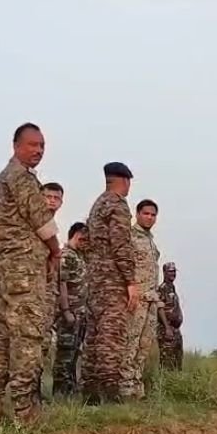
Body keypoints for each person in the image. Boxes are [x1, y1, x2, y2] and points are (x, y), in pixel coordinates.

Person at [0, 122, 60, 424]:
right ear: (16, 146)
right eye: (33, 144)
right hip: (24, 272)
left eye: (42, 146)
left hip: (6, 270)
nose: (39, 150)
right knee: (27, 340)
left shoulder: (3, 179)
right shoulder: (20, 177)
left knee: (2, 342)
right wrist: (55, 250)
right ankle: (24, 414)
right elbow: (41, 220)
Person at [79, 162, 139, 404]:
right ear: (124, 181)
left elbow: (87, 241)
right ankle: (110, 391)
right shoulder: (117, 205)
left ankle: (90, 392)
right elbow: (121, 244)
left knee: (93, 335)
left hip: (94, 279)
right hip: (112, 280)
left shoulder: (98, 204)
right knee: (111, 334)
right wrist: (130, 281)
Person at [120, 199, 162, 399]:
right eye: (146, 213)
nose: (149, 218)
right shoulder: (129, 237)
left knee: (144, 345)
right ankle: (124, 386)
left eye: (153, 215)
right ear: (137, 214)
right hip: (136, 299)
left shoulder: (151, 241)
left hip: (151, 300)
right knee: (131, 342)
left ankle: (137, 386)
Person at [52, 221, 88, 397]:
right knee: (65, 354)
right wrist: (66, 311)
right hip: (69, 313)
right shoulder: (66, 256)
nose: (85, 242)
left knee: (74, 353)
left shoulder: (80, 256)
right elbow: (62, 284)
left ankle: (70, 390)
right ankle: (60, 392)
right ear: (75, 235)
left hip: (80, 313)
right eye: (82, 238)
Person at [36, 181, 64, 403]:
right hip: (33, 291)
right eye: (48, 196)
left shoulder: (51, 225)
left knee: (43, 343)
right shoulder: (35, 222)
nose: (52, 201)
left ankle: (33, 389)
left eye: (56, 198)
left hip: (48, 294)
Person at [157, 262, 184, 371]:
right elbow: (160, 308)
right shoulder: (162, 288)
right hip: (166, 330)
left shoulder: (172, 288)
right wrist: (167, 328)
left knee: (177, 362)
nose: (173, 274)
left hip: (175, 330)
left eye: (174, 271)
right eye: (170, 271)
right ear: (164, 272)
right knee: (167, 362)